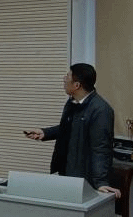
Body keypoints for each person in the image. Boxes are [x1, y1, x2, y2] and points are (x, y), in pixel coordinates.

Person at [24, 63, 121, 198]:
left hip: (84, 180)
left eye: (68, 76)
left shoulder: (101, 110)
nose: (64, 79)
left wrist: (101, 182)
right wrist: (45, 132)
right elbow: (71, 128)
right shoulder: (72, 103)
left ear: (77, 85)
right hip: (65, 173)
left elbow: (101, 149)